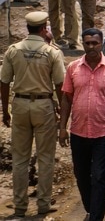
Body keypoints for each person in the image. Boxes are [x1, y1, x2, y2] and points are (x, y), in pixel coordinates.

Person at [1, 11, 66, 217]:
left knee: (20, 158)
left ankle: (20, 206)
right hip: (43, 105)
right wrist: (62, 112)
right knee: (45, 157)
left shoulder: (13, 50)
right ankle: (43, 204)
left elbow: (4, 82)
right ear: (44, 27)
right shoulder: (51, 52)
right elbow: (59, 85)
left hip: (19, 104)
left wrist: (5, 110)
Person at [59, 27, 105, 221]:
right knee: (81, 175)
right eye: (87, 43)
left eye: (95, 42)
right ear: (83, 44)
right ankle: (91, 208)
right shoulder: (73, 68)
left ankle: (96, 217)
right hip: (78, 132)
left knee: (99, 177)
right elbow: (66, 98)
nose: (91, 46)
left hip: (104, 132)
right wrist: (62, 128)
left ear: (101, 43)